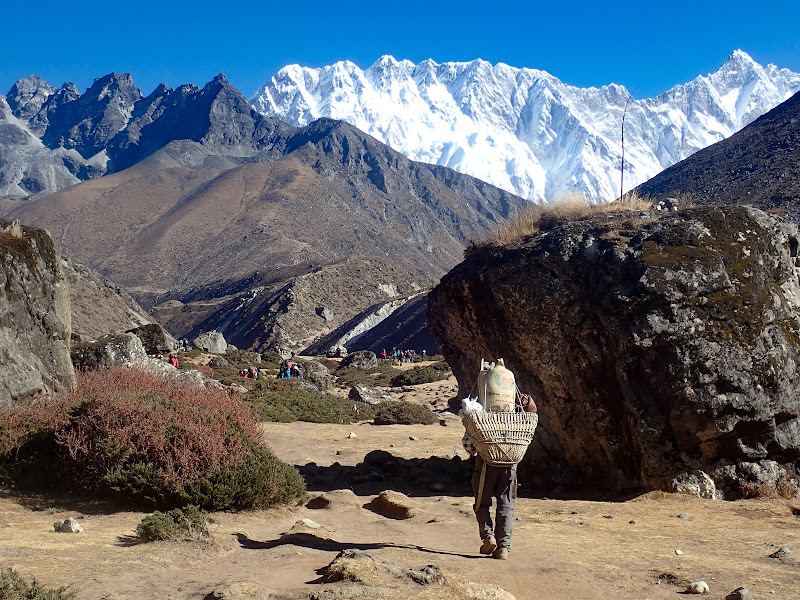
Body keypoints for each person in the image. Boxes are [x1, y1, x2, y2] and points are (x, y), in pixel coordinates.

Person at [462, 430, 516, 560]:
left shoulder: (484, 411)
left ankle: (488, 537)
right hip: (510, 462)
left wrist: (472, 450)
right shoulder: (515, 413)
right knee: (506, 504)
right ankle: (503, 546)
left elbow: (468, 443)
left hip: (486, 462)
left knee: (482, 502)